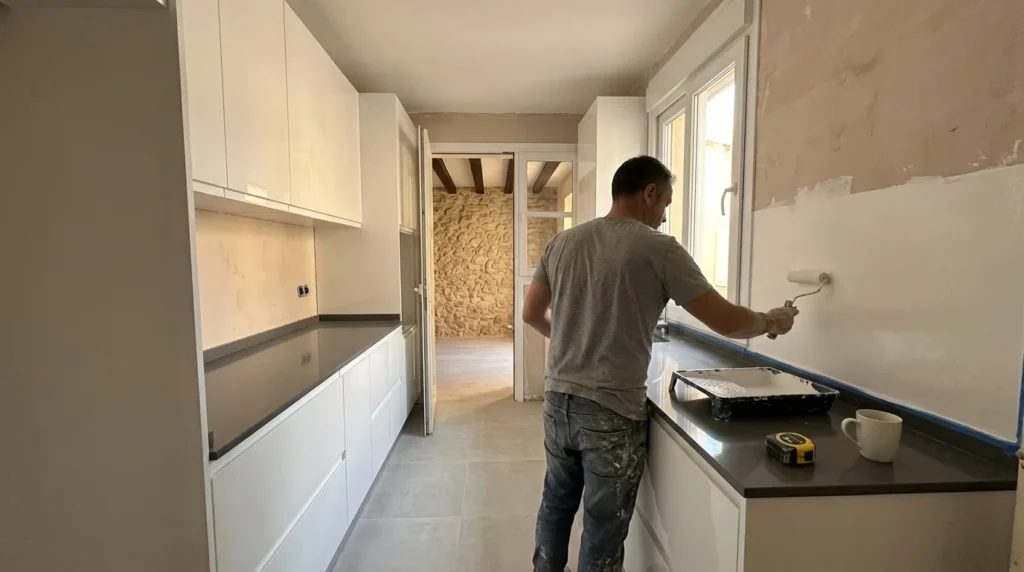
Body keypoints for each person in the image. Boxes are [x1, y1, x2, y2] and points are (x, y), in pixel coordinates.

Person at [523, 155, 799, 572]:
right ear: (649, 193)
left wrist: (572, 340)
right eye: (665, 204)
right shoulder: (659, 248)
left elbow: (531, 314)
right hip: (610, 412)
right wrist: (770, 321)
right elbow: (725, 321)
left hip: (558, 400)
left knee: (556, 504)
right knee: (602, 529)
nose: (664, 217)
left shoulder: (563, 241)